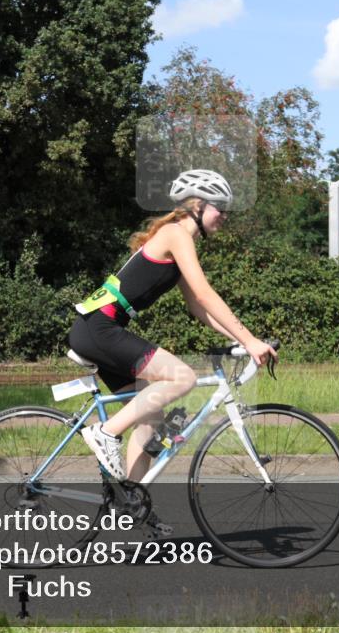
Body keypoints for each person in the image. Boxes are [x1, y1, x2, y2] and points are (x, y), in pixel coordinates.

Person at [67, 169, 278, 483]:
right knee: (183, 377)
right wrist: (249, 341)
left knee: (152, 422)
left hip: (98, 330)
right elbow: (206, 294)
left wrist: (245, 340)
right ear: (198, 206)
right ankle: (105, 433)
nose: (225, 216)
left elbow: (198, 308)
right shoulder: (177, 235)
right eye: (220, 208)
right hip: (99, 329)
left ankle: (131, 503)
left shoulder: (179, 240)